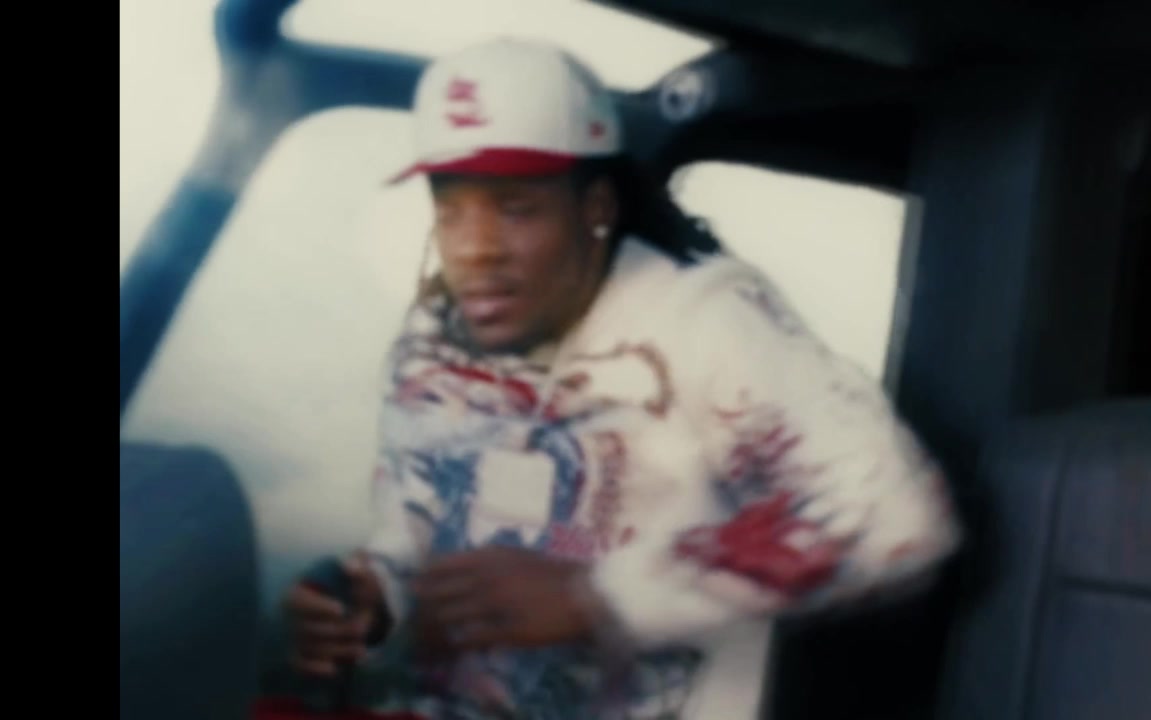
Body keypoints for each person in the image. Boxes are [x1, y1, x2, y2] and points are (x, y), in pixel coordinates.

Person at [279, 37, 961, 720]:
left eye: (515, 208)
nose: (475, 249)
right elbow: (413, 529)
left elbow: (894, 514)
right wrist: (373, 601)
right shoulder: (437, 335)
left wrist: (600, 597)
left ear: (596, 207)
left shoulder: (704, 320)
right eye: (451, 209)